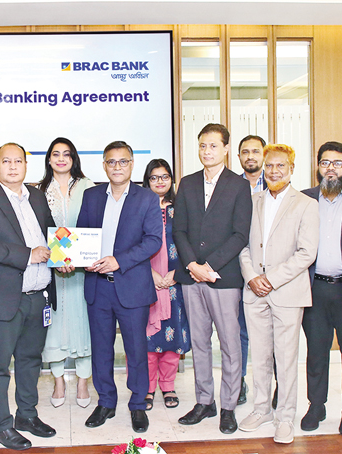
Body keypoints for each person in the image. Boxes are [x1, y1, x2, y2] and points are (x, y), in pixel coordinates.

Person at [0, 143, 58, 451]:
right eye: (6, 161)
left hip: (38, 295)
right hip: (2, 297)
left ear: (25, 165)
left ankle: (27, 416)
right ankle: (1, 426)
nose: (13, 166)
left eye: (18, 161)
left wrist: (63, 257)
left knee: (30, 360)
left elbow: (50, 235)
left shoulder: (36, 196)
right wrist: (29, 254)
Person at [78, 141, 162, 434]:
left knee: (136, 349)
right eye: (111, 162)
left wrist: (119, 261)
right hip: (97, 286)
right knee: (101, 348)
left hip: (132, 286)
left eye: (123, 161)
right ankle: (106, 402)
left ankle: (138, 404)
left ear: (132, 164)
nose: (117, 167)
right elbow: (81, 236)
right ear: (104, 165)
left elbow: (153, 240)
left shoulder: (147, 198)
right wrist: (80, 259)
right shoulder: (91, 196)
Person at [237, 144, 319, 444]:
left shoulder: (307, 204)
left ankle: (285, 417)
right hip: (254, 291)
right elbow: (241, 244)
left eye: (280, 166)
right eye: (269, 166)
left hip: (287, 291)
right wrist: (251, 277)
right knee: (259, 355)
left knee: (285, 359)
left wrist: (270, 279)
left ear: (291, 169)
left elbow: (306, 253)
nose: (274, 171)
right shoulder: (252, 201)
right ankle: (261, 409)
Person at [173, 124, 251, 434]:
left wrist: (209, 265)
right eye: (203, 145)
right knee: (199, 341)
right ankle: (204, 401)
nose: (207, 151)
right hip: (192, 276)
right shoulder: (187, 183)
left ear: (226, 149)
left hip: (223, 276)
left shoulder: (239, 185)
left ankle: (229, 405)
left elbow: (240, 234)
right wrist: (192, 264)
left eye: (213, 145)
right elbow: (179, 229)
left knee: (230, 344)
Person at [299, 141, 342, 436]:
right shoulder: (304, 199)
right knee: (316, 351)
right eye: (325, 162)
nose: (331, 169)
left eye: (338, 163)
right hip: (314, 287)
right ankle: (316, 405)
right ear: (318, 166)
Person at [36, 137, 94, 409]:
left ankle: (83, 382)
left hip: (83, 271)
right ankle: (58, 381)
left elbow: (94, 225)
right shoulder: (38, 191)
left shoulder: (88, 186)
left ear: (73, 158)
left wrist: (77, 257)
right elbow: (37, 230)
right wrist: (57, 258)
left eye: (66, 154)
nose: (61, 159)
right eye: (56, 154)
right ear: (49, 159)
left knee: (84, 324)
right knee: (53, 327)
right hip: (51, 272)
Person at [141, 159, 191, 411]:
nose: (160, 182)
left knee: (173, 336)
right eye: (154, 177)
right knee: (147, 338)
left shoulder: (182, 209)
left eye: (164, 177)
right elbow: (130, 244)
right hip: (145, 280)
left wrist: (176, 273)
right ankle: (148, 387)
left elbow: (191, 243)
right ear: (147, 181)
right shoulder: (139, 208)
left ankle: (168, 385)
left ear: (171, 179)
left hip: (175, 282)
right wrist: (150, 273)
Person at [236, 134, 268, 405]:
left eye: (255, 151)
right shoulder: (230, 186)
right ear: (238, 157)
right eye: (245, 152)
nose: (250, 156)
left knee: (273, 333)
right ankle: (240, 381)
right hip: (236, 269)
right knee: (240, 331)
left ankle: (276, 386)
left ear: (264, 155)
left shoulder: (279, 184)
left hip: (270, 274)